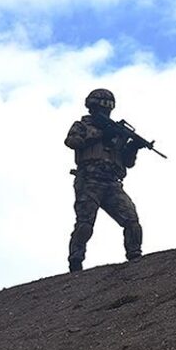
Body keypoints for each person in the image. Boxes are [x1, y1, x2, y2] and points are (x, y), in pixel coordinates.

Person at [65, 88, 143, 272]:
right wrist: (101, 134)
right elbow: (72, 142)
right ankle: (76, 259)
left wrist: (134, 147)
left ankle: (135, 255)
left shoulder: (116, 131)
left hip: (112, 182)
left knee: (132, 220)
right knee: (85, 223)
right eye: (102, 107)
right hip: (89, 180)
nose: (105, 111)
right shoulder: (82, 126)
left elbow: (127, 163)